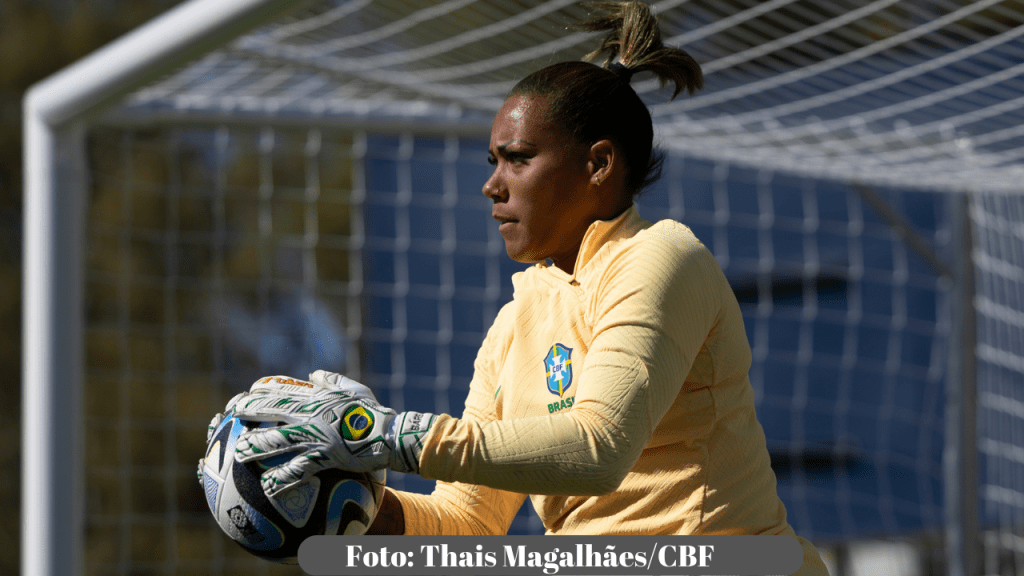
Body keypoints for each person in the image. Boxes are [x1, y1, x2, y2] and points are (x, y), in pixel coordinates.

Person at [216, 2, 828, 573]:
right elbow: (469, 520)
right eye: (493, 162)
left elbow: (598, 447)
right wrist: (346, 505)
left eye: (518, 158)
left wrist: (383, 435)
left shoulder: (660, 258)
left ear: (598, 164)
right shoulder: (515, 324)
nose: (494, 185)